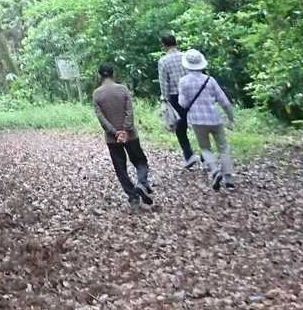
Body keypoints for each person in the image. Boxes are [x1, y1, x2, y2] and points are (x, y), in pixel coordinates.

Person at [92, 63, 154, 209]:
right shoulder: (123, 89)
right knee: (140, 161)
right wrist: (125, 130)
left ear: (99, 75)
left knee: (120, 168)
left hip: (112, 139)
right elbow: (129, 111)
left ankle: (133, 197)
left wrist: (114, 132)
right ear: (113, 73)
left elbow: (101, 118)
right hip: (130, 135)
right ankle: (141, 183)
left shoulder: (97, 94)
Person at [178, 49, 236, 192]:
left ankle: (215, 170)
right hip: (215, 118)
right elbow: (224, 101)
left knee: (205, 148)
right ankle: (229, 180)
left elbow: (182, 104)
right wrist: (230, 117)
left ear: (186, 65)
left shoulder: (183, 82)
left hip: (197, 121)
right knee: (223, 147)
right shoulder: (210, 80)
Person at [158, 33, 202, 169]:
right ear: (176, 43)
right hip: (192, 93)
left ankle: (189, 155)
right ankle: (206, 153)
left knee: (181, 127)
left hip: (175, 95)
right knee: (198, 123)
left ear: (163, 45)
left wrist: (164, 99)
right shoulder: (185, 56)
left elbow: (164, 82)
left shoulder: (163, 61)